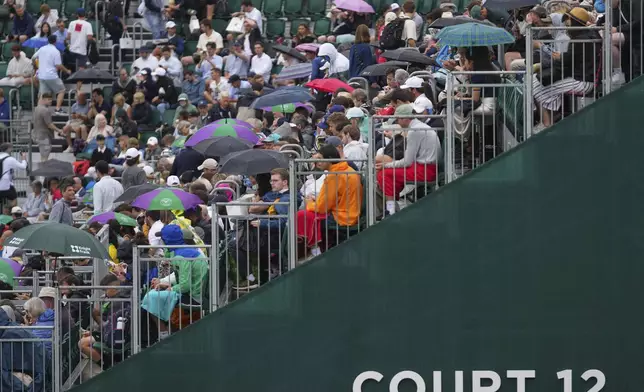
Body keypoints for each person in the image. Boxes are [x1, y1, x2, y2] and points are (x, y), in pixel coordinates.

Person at [297, 145, 362, 257]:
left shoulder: (335, 175)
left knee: (302, 215)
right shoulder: (346, 169)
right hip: (349, 212)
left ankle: (315, 250)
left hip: (343, 216)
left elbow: (322, 208)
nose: (318, 163)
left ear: (330, 159)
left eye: (321, 159)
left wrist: (309, 203)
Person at [376, 104, 441, 216]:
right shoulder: (420, 126)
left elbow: (407, 162)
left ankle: (390, 210)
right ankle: (391, 206)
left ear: (405, 119)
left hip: (425, 170)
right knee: (388, 174)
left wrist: (386, 165)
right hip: (426, 167)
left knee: (384, 174)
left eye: (398, 119)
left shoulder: (414, 131)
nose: (398, 122)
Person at [32, 35, 71, 114]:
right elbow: (58, 65)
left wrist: (36, 66)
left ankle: (38, 112)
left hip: (41, 76)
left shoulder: (42, 49)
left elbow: (33, 57)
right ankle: (57, 109)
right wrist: (67, 71)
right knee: (62, 90)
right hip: (51, 75)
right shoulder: (55, 51)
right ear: (55, 41)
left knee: (43, 94)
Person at [33, 93, 61, 161]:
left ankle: (42, 169)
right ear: (43, 100)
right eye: (48, 99)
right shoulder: (45, 110)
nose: (50, 101)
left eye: (51, 99)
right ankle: (43, 170)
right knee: (45, 157)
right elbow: (49, 124)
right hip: (44, 136)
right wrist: (59, 130)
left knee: (43, 156)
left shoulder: (36, 108)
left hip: (37, 135)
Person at [0, 143, 26, 211]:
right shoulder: (10, 159)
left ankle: (4, 213)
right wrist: (23, 158)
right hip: (5, 185)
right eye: (11, 148)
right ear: (8, 149)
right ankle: (12, 213)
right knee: (14, 200)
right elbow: (23, 167)